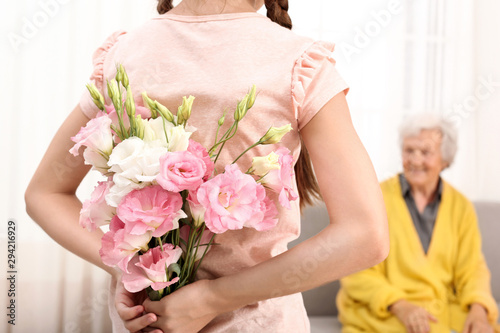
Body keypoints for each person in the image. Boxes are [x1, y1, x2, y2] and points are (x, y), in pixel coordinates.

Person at [24, 0, 390, 332]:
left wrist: (132, 269)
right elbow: (365, 236)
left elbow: (44, 193)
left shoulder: (124, 55)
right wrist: (212, 297)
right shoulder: (298, 61)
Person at [337, 114, 499, 333]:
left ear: (445, 160)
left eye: (425, 152)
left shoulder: (461, 207)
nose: (415, 160)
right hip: (388, 308)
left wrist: (479, 311)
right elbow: (356, 270)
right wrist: (401, 306)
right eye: (409, 150)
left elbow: (472, 269)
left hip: (440, 307)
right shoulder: (375, 198)